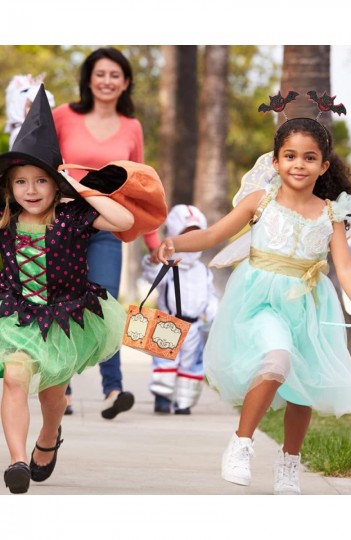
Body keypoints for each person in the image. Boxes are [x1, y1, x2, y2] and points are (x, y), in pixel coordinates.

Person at [157, 97, 351, 495]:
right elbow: (213, 235)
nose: (299, 164)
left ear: (324, 166)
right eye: (290, 156)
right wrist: (174, 243)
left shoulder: (332, 212)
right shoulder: (260, 201)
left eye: (310, 157)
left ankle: (289, 464)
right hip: (260, 298)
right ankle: (241, 443)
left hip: (308, 304)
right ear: (276, 162)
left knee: (304, 387)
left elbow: (346, 268)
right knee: (277, 359)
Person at [0, 85, 135, 494]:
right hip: (17, 315)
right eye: (21, 181)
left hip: (64, 316)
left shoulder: (73, 215)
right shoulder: (5, 220)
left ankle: (49, 436)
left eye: (41, 180)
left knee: (53, 395)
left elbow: (124, 220)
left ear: (56, 183)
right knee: (14, 377)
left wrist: (79, 186)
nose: (31, 190)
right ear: (9, 187)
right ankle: (18, 460)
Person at [53, 47, 160, 419]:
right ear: (88, 78)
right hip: (63, 224)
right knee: (62, 301)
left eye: (115, 75)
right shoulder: (62, 116)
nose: (107, 81)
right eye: (100, 74)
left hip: (107, 226)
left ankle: (113, 389)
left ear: (126, 82)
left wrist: (154, 244)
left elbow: (141, 186)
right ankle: (60, 390)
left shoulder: (132, 127)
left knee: (104, 305)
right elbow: (41, 163)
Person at [142, 205, 218, 415]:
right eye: (185, 235)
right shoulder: (167, 264)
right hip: (168, 321)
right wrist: (152, 262)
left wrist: (214, 314)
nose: (190, 240)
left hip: (195, 324)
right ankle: (163, 398)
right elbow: (152, 277)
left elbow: (209, 294)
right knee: (165, 363)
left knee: (190, 365)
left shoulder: (202, 270)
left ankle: (185, 402)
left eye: (196, 235)